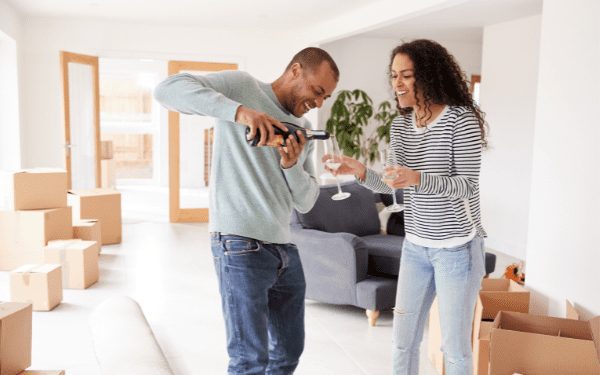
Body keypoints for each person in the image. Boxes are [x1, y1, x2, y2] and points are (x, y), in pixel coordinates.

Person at [154, 48, 339, 374]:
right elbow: (167, 90)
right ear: (296, 70)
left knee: (287, 354)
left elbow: (306, 201)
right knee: (250, 360)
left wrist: (291, 163)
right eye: (317, 91)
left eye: (326, 96)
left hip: (285, 248)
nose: (319, 102)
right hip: (239, 245)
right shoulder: (242, 87)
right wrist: (240, 113)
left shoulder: (303, 127)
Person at [326, 39, 487, 375]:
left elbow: (466, 186)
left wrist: (418, 178)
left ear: (428, 76)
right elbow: (391, 186)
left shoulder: (461, 121)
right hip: (415, 245)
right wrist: (360, 171)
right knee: (403, 340)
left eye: (406, 75)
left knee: (454, 348)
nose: (396, 83)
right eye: (394, 75)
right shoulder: (399, 126)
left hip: (457, 248)